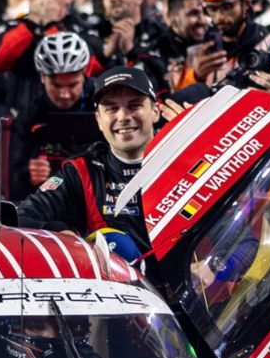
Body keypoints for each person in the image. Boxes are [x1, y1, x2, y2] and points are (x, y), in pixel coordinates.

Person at [16, 65, 164, 235]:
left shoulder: (184, 157)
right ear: (99, 120)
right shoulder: (82, 171)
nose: (123, 117)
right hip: (109, 262)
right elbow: (21, 215)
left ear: (155, 112)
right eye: (111, 109)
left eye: (134, 106)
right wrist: (62, 235)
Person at [10, 31, 97, 201]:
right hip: (52, 201)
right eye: (56, 86)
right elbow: (13, 179)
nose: (64, 94)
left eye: (73, 85)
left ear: (84, 74)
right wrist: (28, 175)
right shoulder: (29, 115)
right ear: (42, 77)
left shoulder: (103, 103)